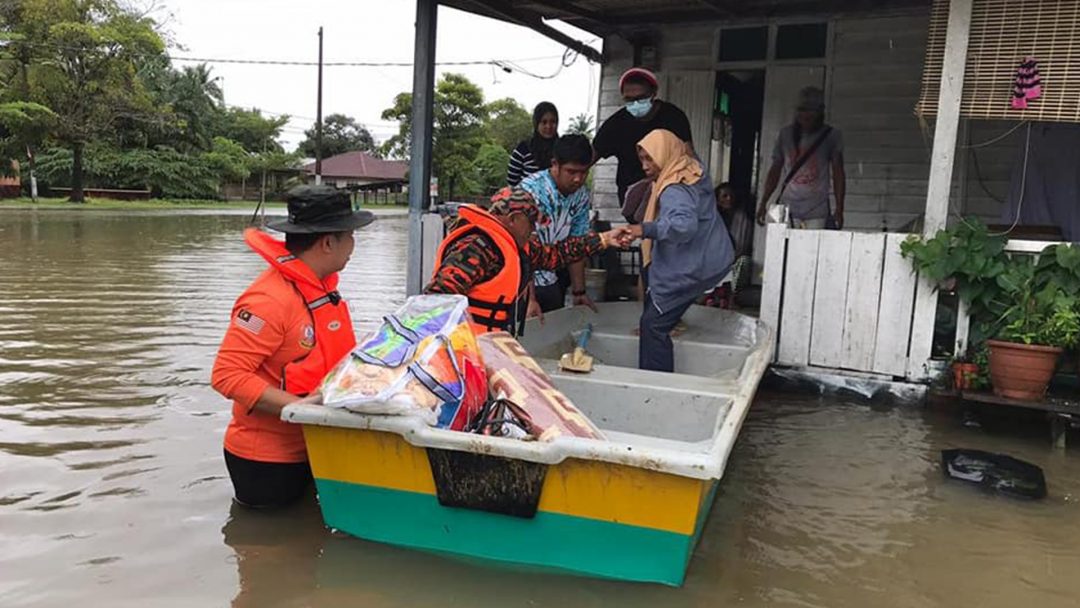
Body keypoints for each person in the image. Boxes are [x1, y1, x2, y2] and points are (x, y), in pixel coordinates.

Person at [211, 185, 374, 509]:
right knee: (267, 551)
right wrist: (302, 409)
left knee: (305, 543)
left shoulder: (319, 290)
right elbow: (226, 375)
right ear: (328, 243)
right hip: (267, 461)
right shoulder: (269, 300)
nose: (355, 244)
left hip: (313, 446)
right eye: (351, 235)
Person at [424, 187, 631, 337]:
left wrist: (603, 239)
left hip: (493, 344)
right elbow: (436, 297)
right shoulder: (476, 247)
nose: (533, 229)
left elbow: (556, 254)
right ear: (513, 219)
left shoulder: (517, 245)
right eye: (531, 222)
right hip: (467, 347)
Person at [624, 129, 733, 373]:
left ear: (665, 155)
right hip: (712, 257)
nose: (644, 166)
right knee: (654, 309)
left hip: (691, 266)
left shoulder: (673, 188)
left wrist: (644, 229)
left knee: (653, 325)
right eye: (642, 159)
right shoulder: (691, 169)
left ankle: (656, 384)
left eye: (650, 158)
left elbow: (683, 226)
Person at [518, 134, 594, 316]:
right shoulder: (531, 190)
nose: (578, 179)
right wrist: (530, 299)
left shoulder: (581, 195)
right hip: (521, 283)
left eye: (583, 172)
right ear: (555, 164)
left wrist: (579, 291)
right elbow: (524, 248)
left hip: (551, 279)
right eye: (571, 172)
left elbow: (577, 244)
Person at [593, 67, 693, 205]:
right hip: (633, 200)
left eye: (641, 98)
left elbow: (689, 158)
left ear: (653, 94)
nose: (635, 104)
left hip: (668, 195)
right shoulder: (615, 125)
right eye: (629, 99)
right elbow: (588, 158)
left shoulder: (673, 118)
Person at [755, 86, 846, 230]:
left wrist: (840, 208)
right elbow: (775, 170)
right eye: (802, 109)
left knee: (812, 250)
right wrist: (763, 203)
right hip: (787, 206)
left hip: (816, 208)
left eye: (811, 110)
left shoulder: (831, 135)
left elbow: (838, 173)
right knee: (781, 248)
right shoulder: (785, 135)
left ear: (820, 112)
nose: (806, 115)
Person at [703, 183, 753, 308]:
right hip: (720, 261)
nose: (729, 199)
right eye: (724, 196)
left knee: (744, 262)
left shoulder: (743, 215)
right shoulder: (714, 219)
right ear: (718, 201)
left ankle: (731, 298)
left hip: (736, 259)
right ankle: (714, 297)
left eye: (731, 195)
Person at [507, 101, 558, 187]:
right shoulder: (523, 149)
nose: (548, 126)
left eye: (553, 122)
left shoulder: (562, 149)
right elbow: (512, 182)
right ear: (536, 123)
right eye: (544, 122)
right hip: (525, 198)